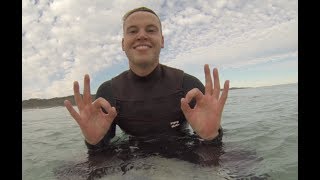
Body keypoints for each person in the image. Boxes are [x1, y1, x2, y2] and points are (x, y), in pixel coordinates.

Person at [64, 7, 229, 154]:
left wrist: (212, 137)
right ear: (123, 43)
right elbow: (101, 157)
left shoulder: (188, 85)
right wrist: (93, 143)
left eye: (150, 30)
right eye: (133, 31)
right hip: (132, 159)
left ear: (162, 41)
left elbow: (212, 154)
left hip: (182, 155)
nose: (142, 36)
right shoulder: (108, 92)